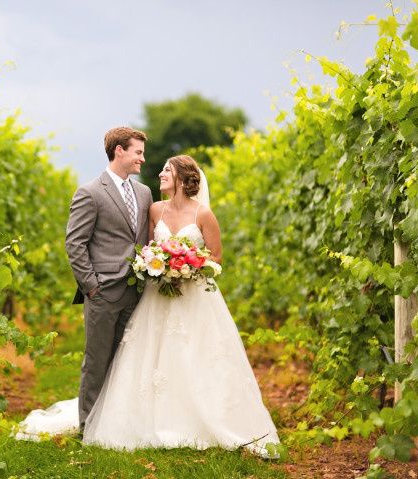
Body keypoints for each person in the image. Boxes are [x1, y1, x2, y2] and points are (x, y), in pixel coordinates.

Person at [82, 155, 279, 457]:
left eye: (167, 171)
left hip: (193, 297)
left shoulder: (204, 214)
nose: (160, 174)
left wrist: (188, 266)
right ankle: (148, 419)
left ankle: (200, 418)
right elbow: (148, 248)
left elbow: (216, 256)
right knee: (153, 356)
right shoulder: (155, 210)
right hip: (157, 296)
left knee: (195, 355)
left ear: (184, 179)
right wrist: (157, 265)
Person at [65, 126, 153, 432]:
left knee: (127, 360)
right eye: (138, 152)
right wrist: (91, 286)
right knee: (97, 360)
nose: (142, 158)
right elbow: (75, 244)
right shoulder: (90, 192)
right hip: (102, 292)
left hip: (136, 290)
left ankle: (119, 422)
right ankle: (87, 424)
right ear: (120, 151)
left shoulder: (144, 192)